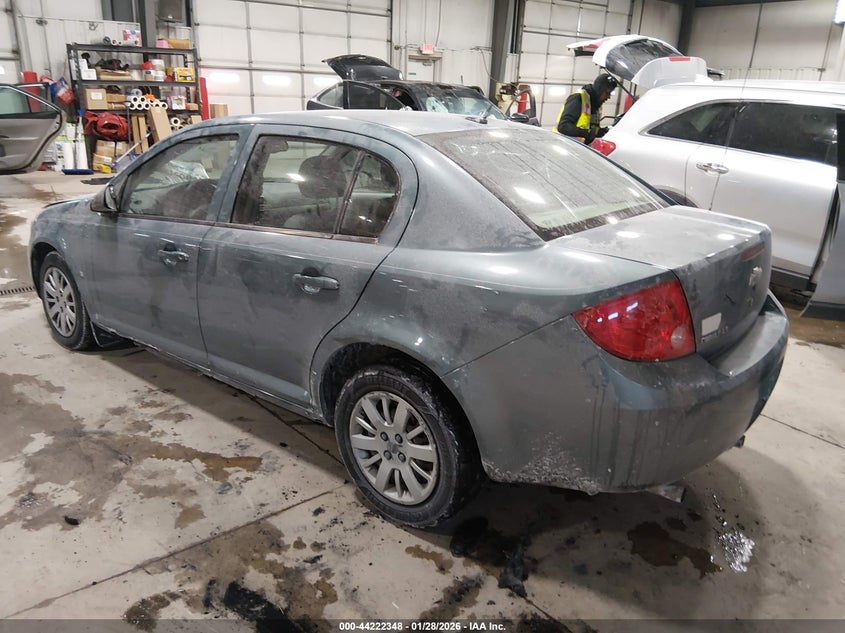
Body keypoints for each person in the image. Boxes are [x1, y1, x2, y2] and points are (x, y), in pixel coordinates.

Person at [555, 73, 618, 144]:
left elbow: (591, 129)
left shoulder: (596, 105)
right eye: (607, 93)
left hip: (579, 149)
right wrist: (589, 133)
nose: (609, 97)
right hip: (564, 146)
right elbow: (563, 127)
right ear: (599, 89)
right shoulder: (579, 98)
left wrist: (603, 131)